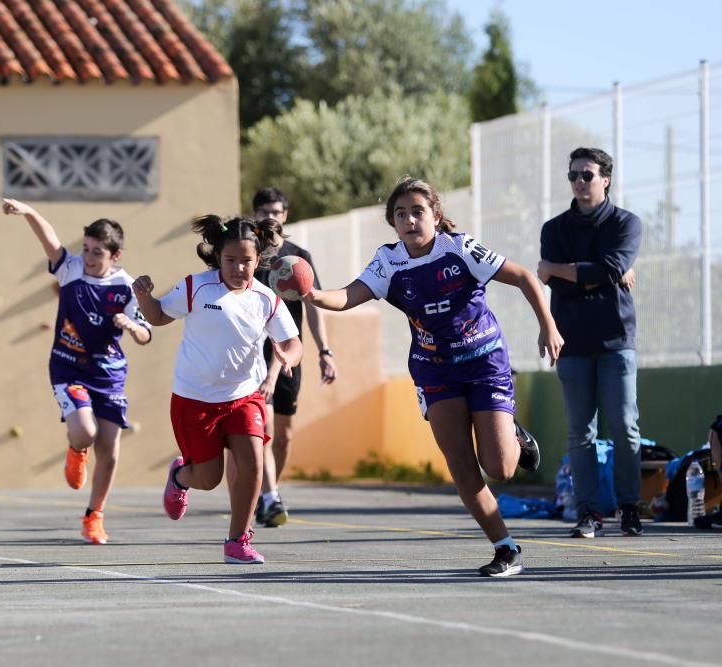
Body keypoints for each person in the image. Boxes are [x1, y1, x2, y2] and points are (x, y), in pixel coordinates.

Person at [304, 176, 563, 577]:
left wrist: (548, 324)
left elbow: (526, 277)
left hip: (484, 362)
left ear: (436, 216)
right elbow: (347, 296)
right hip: (434, 368)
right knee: (460, 464)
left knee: (501, 468)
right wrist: (314, 295)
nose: (409, 220)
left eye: (418, 212)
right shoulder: (389, 261)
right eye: (400, 214)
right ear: (393, 223)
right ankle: (505, 548)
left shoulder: (460, 249)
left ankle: (510, 431)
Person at [132, 215, 303, 564]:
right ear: (217, 258)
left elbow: (292, 341)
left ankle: (238, 540)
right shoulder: (197, 287)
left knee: (253, 463)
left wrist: (288, 354)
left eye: (247, 261)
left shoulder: (266, 298)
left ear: (259, 261)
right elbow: (159, 317)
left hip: (245, 396)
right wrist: (144, 297)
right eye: (231, 260)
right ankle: (180, 476)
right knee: (208, 479)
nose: (239, 267)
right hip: (194, 399)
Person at [2, 198, 151, 545]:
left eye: (97, 252)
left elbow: (146, 334)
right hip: (68, 368)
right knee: (84, 432)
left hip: (109, 375)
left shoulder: (126, 287)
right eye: (85, 248)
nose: (88, 257)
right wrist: (29, 212)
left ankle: (94, 516)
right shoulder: (70, 271)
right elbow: (49, 239)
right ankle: (76, 449)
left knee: (111, 451)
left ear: (115, 256)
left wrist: (130, 324)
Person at [538, 147, 643, 539]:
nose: (579, 182)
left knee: (624, 426)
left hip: (617, 340)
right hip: (571, 341)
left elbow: (610, 268)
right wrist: (596, 273)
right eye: (573, 175)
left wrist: (559, 270)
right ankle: (589, 513)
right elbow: (594, 273)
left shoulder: (625, 224)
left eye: (587, 174)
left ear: (606, 179)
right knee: (580, 432)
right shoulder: (554, 229)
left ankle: (630, 508)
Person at [247, 187, 337, 527]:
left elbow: (313, 305)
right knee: (265, 426)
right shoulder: (250, 255)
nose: (271, 217)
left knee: (282, 435)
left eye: (278, 211)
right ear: (255, 213)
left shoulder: (299, 257)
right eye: (265, 210)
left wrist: (325, 351)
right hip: (256, 353)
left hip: (289, 352)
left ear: (286, 216)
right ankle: (269, 497)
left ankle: (268, 489)